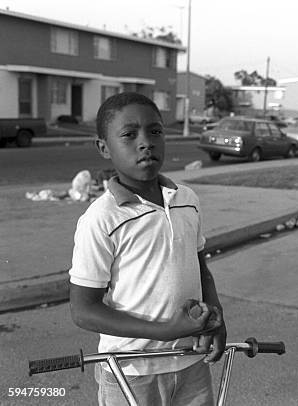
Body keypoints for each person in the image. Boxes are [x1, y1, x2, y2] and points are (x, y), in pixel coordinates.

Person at [69, 92, 226, 406]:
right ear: (104, 147)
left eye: (155, 131)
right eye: (129, 135)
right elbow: (84, 310)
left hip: (189, 360)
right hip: (130, 371)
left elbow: (200, 268)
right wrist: (165, 330)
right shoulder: (102, 219)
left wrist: (217, 320)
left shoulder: (187, 200)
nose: (146, 142)